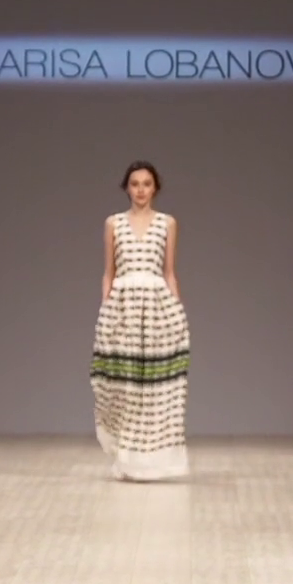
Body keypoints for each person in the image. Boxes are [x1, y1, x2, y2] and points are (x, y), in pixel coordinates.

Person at [91, 161, 190, 481]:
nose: (141, 190)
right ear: (126, 188)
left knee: (154, 388)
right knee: (124, 385)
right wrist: (105, 311)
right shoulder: (113, 223)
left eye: (147, 184)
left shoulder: (167, 223)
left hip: (157, 309)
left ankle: (152, 462)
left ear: (155, 187)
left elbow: (169, 273)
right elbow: (109, 273)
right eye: (135, 184)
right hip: (123, 309)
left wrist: (177, 312)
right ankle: (126, 459)